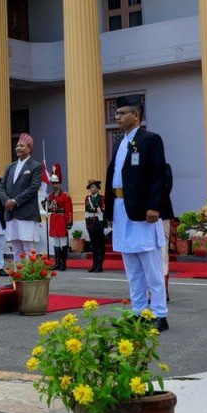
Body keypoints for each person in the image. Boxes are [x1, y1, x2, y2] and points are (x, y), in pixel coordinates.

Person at [104, 99, 174, 331]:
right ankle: (139, 311)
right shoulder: (119, 142)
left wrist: (154, 206)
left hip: (144, 211)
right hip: (121, 208)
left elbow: (158, 175)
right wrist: (109, 209)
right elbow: (112, 174)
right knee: (131, 266)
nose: (117, 116)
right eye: (116, 113)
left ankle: (159, 314)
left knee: (151, 265)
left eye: (123, 113)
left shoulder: (150, 140)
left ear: (136, 116)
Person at [0, 133, 45, 276]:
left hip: (26, 213)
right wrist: (7, 201)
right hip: (11, 213)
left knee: (28, 247)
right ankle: (18, 277)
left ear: (29, 148)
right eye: (17, 145)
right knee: (16, 248)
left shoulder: (36, 166)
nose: (18, 148)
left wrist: (15, 201)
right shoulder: (10, 167)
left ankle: (30, 276)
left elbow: (33, 188)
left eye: (21, 145)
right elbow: (1, 187)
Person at [44, 174, 73, 271]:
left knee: (63, 242)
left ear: (59, 183)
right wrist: (46, 204)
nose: (54, 185)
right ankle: (57, 262)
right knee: (56, 242)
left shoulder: (65, 195)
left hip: (62, 220)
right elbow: (47, 208)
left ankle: (63, 263)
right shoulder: (50, 196)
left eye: (56, 183)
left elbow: (69, 210)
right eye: (53, 183)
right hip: (54, 219)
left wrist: (69, 223)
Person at [83, 180, 107, 273]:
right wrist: (86, 224)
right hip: (90, 223)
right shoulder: (87, 198)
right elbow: (86, 212)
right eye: (90, 187)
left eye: (93, 187)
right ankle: (94, 264)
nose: (91, 189)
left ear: (97, 188)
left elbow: (103, 212)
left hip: (98, 223)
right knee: (93, 245)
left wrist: (103, 223)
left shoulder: (101, 198)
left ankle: (99, 265)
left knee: (100, 245)